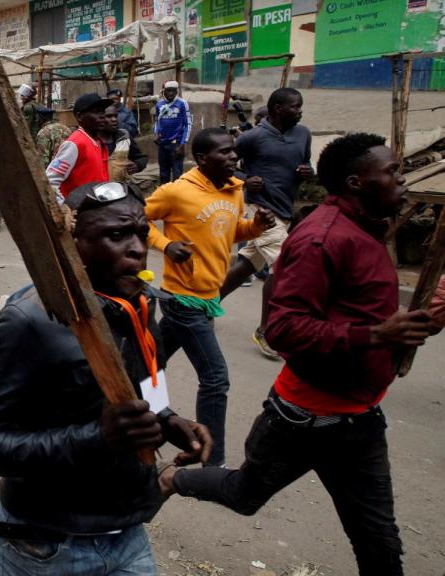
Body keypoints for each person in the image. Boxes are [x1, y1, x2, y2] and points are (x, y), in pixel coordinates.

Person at [160, 133, 435, 576]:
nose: (403, 180)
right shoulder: (322, 239)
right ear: (356, 183)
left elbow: (370, 319)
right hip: (299, 419)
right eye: (392, 172)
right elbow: (283, 329)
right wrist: (375, 335)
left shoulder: (369, 231)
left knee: (380, 545)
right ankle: (173, 476)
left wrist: (420, 321)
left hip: (360, 419)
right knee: (243, 493)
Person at [0, 181, 211, 575]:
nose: (138, 249)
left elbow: (145, 386)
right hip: (42, 545)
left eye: (141, 233)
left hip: (126, 533)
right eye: (116, 235)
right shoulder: (30, 321)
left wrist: (167, 420)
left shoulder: (138, 305)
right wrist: (96, 438)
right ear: (73, 243)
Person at [145, 127, 275, 467]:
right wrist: (165, 245)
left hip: (207, 298)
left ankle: (136, 413)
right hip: (182, 299)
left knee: (151, 366)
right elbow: (136, 218)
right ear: (202, 159)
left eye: (233, 151)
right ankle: (212, 460)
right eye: (224, 152)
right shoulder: (176, 192)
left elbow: (232, 232)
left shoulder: (235, 191)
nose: (233, 157)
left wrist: (256, 227)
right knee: (216, 379)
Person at [219, 88, 313, 360]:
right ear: (278, 109)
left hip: (285, 209)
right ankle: (267, 331)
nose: (300, 111)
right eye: (295, 107)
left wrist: (308, 171)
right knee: (283, 266)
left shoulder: (303, 134)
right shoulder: (253, 137)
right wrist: (243, 178)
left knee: (248, 264)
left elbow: (306, 164)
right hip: (260, 210)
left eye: (301, 106)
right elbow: (222, 163)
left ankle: (205, 305)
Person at [47, 93, 111, 203]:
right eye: (96, 112)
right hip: (79, 213)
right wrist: (64, 208)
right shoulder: (75, 144)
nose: (102, 116)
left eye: (103, 112)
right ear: (79, 116)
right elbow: (50, 179)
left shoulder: (99, 143)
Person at [154, 81, 192, 184]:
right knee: (163, 174)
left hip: (176, 145)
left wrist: (183, 143)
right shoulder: (159, 104)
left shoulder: (182, 103)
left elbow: (187, 124)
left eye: (173, 91)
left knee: (177, 174)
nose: (171, 93)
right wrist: (156, 133)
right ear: (163, 92)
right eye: (168, 91)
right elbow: (157, 121)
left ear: (177, 91)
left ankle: (177, 196)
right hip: (163, 144)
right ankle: (164, 196)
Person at [100, 103, 147, 184]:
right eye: (109, 116)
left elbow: (141, 158)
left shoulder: (124, 136)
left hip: (120, 188)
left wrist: (137, 165)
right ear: (99, 118)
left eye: (115, 116)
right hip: (97, 189)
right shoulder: (92, 140)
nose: (114, 119)